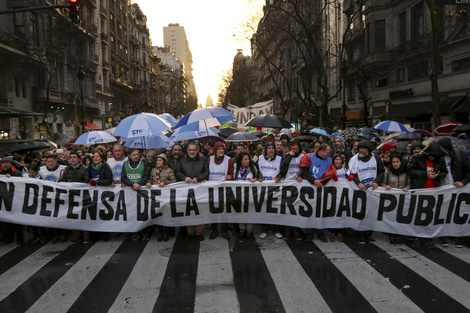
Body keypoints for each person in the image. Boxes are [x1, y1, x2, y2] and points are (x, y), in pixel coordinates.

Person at [408, 142, 448, 249]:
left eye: (434, 157)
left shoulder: (440, 159)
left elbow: (445, 171)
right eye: (431, 156)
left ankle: (428, 238)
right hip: (419, 190)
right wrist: (425, 174)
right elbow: (410, 171)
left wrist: (437, 175)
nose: (432, 158)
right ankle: (417, 237)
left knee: (430, 217)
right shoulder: (417, 158)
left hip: (433, 191)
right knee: (417, 216)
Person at [347, 139, 384, 244]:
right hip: (360, 190)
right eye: (360, 149)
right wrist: (358, 183)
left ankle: (369, 234)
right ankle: (361, 234)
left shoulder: (375, 158)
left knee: (371, 213)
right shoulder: (354, 159)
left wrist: (377, 181)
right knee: (361, 212)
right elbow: (350, 174)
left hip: (372, 190)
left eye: (363, 149)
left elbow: (381, 171)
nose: (361, 151)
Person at [436, 137, 470, 248]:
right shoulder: (438, 157)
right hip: (443, 189)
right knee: (442, 213)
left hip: (458, 191)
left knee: (457, 214)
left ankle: (457, 237)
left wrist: (463, 182)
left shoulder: (460, 155)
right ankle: (443, 236)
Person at [299, 143, 334, 242]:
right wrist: (314, 181)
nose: (328, 154)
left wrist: (323, 183)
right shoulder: (309, 157)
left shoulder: (329, 160)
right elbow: (305, 171)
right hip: (310, 189)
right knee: (309, 212)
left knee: (321, 212)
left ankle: (321, 233)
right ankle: (309, 233)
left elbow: (331, 174)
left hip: (322, 189)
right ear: (321, 151)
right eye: (327, 152)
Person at [175, 142, 209, 241]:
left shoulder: (203, 160)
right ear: (187, 150)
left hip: (200, 190)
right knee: (188, 211)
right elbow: (177, 172)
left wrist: (198, 178)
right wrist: (184, 177)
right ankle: (190, 233)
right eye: (190, 150)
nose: (192, 151)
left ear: (197, 150)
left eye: (194, 150)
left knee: (200, 210)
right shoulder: (182, 160)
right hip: (186, 190)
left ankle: (199, 232)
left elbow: (206, 172)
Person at [61, 151, 90, 245]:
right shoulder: (66, 169)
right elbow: (62, 181)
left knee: (83, 216)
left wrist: (75, 185)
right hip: (71, 196)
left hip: (82, 196)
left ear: (79, 159)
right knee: (73, 216)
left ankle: (86, 237)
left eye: (74, 157)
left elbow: (86, 181)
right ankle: (76, 236)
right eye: (71, 157)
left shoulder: (85, 169)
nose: (72, 159)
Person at [255, 142, 283, 239]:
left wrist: (279, 177)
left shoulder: (280, 159)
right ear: (266, 150)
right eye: (269, 148)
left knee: (275, 209)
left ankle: (276, 230)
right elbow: (256, 169)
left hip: (275, 188)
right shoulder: (260, 158)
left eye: (273, 148)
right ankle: (264, 230)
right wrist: (259, 176)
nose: (271, 150)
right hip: (264, 188)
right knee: (264, 209)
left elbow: (283, 171)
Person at [121, 148, 150, 241]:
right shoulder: (125, 164)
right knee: (132, 213)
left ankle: (144, 232)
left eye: (137, 154)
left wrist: (139, 184)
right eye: (134, 154)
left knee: (143, 212)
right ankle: (134, 232)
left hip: (141, 191)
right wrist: (132, 184)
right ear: (129, 156)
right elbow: (123, 178)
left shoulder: (144, 162)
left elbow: (146, 175)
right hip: (130, 192)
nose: (136, 156)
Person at [146, 153, 176, 242]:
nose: (158, 162)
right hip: (156, 196)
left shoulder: (169, 170)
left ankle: (166, 231)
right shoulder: (153, 170)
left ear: (164, 162)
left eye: (160, 161)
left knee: (166, 212)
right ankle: (160, 231)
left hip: (166, 195)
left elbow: (174, 180)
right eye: (157, 161)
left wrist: (165, 182)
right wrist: (148, 182)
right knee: (158, 213)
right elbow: (150, 179)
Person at [381, 154, 410, 244]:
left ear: (401, 162)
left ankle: (399, 234)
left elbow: (409, 183)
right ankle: (392, 235)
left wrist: (407, 188)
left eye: (397, 162)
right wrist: (386, 186)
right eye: (393, 162)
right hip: (391, 199)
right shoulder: (388, 172)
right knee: (392, 217)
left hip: (402, 198)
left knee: (400, 217)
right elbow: (382, 183)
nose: (395, 164)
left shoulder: (405, 172)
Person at [207, 142, 234, 240]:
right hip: (212, 189)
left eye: (222, 149)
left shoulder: (229, 160)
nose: (221, 151)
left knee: (224, 210)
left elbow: (232, 175)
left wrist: (229, 178)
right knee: (212, 210)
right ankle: (214, 230)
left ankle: (223, 230)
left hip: (224, 190)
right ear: (215, 150)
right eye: (219, 149)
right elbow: (206, 172)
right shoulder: (209, 160)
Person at [279, 140, 304, 240]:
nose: (294, 151)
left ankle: (296, 231)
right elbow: (283, 169)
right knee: (287, 209)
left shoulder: (303, 156)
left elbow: (306, 168)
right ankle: (287, 231)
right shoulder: (286, 156)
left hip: (298, 185)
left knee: (296, 209)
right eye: (293, 149)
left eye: (296, 149)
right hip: (288, 185)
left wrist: (301, 176)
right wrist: (289, 156)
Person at [88, 150, 114, 241]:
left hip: (103, 194)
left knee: (103, 214)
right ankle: (96, 234)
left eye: (97, 157)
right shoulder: (90, 168)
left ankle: (105, 234)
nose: (95, 158)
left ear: (101, 159)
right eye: (94, 157)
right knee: (94, 214)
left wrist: (98, 182)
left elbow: (109, 180)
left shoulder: (105, 167)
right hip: (93, 195)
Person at [0, 156, 24, 245]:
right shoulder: (0, 172)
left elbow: (21, 183)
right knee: (5, 221)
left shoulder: (16, 172)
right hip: (3, 200)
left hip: (15, 200)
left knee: (16, 220)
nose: (5, 165)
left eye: (7, 163)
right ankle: (8, 238)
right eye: (3, 163)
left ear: (10, 164)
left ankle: (19, 238)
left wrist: (12, 178)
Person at [234, 152, 258, 238]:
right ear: (240, 161)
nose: (248, 161)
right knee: (240, 212)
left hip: (250, 194)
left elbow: (257, 178)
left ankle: (249, 229)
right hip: (238, 194)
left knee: (249, 211)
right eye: (245, 159)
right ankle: (242, 228)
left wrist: (255, 179)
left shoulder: (253, 168)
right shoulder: (235, 168)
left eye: (248, 159)